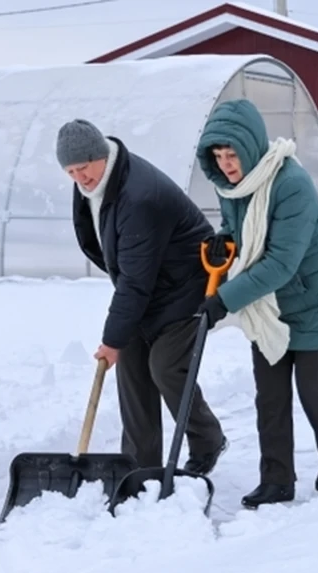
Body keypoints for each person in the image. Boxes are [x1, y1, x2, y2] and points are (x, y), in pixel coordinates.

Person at [193, 99, 318, 509]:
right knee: (270, 396)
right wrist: (224, 239)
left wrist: (222, 302)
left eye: (232, 154)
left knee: (317, 392)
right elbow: (240, 228)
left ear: (251, 147)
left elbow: (280, 263)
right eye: (218, 156)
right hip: (269, 308)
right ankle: (277, 479)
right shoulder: (234, 186)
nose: (227, 164)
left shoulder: (291, 185)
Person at [55, 118, 228, 474]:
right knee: (132, 370)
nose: (79, 178)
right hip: (149, 286)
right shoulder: (97, 180)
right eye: (70, 171)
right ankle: (139, 465)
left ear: (100, 156)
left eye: (83, 168)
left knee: (165, 367)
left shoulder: (140, 196)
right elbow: (116, 258)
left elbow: (135, 280)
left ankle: (207, 438)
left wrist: (112, 339)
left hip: (188, 288)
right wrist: (123, 335)